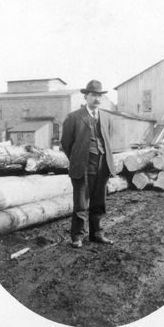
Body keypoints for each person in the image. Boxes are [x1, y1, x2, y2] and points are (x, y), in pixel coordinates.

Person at [61, 80, 116, 248]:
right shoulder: (74, 117)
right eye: (93, 95)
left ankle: (97, 234)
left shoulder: (106, 117)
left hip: (102, 165)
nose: (97, 99)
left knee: (99, 202)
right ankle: (77, 237)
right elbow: (66, 142)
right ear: (86, 96)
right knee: (81, 204)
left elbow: (108, 139)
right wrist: (77, 159)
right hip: (82, 166)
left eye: (100, 95)